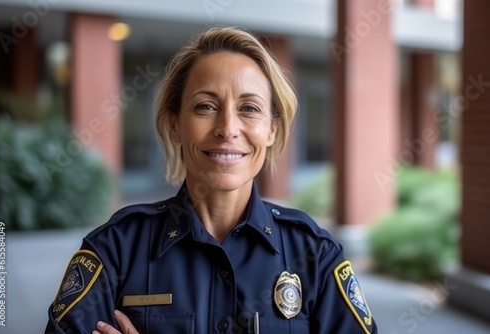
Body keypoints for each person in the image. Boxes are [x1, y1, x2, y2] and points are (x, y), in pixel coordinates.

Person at [45, 26, 378, 334]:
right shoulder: (115, 250)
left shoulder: (316, 255)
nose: (227, 128)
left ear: (272, 130)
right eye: (205, 106)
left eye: (249, 109)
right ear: (175, 123)